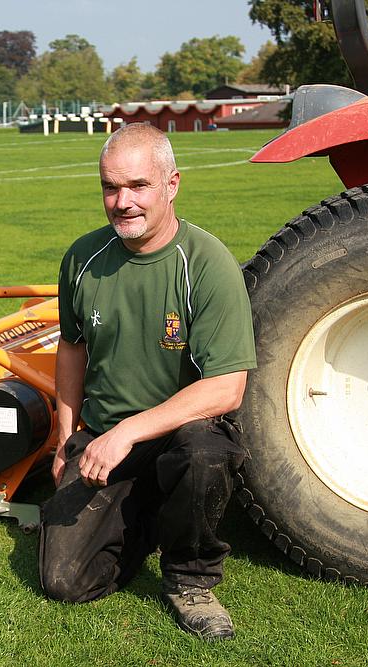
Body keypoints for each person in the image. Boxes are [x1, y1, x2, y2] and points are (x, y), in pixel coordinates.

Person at [38, 123, 256, 642]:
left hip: (177, 439)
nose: (123, 201)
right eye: (111, 187)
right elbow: (71, 348)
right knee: (65, 581)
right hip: (104, 437)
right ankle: (147, 518)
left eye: (138, 186)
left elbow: (228, 387)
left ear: (172, 184)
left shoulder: (205, 262)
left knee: (205, 453)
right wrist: (66, 437)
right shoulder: (83, 259)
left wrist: (129, 432)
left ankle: (190, 579)